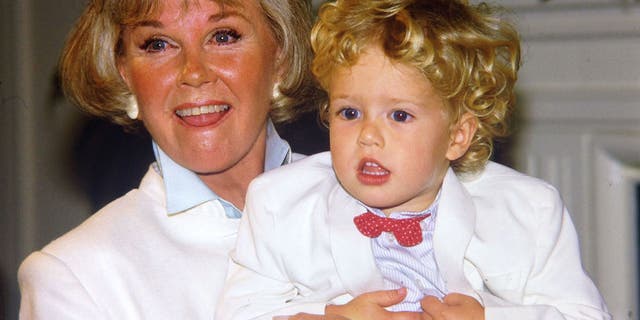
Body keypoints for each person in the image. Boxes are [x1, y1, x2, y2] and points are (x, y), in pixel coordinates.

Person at [216, 0, 611, 319]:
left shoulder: (526, 210)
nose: (368, 135)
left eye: (400, 115)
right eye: (349, 113)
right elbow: (240, 311)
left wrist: (488, 318)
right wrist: (328, 316)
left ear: (456, 136)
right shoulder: (281, 202)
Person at [17, 0, 323, 318]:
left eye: (223, 36)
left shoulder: (366, 202)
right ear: (125, 74)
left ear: (280, 56)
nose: (193, 72)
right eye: (158, 44)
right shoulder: (75, 277)